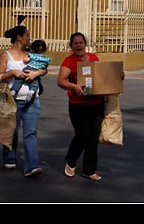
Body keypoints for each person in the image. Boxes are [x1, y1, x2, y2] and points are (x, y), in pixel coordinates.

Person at [0, 25, 47, 177]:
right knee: (12, 131)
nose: (29, 39)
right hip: (12, 100)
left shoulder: (30, 54)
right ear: (19, 37)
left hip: (32, 100)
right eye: (27, 36)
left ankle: (32, 165)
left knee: (30, 133)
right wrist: (11, 73)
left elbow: (44, 67)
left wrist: (35, 74)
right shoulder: (6, 56)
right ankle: (9, 157)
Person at [57, 32, 105, 181]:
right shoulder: (69, 61)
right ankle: (71, 161)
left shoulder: (94, 58)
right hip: (78, 105)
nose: (79, 45)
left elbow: (103, 76)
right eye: (75, 43)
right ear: (71, 46)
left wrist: (117, 76)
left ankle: (89, 170)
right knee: (83, 135)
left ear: (85, 44)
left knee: (93, 137)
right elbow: (61, 81)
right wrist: (74, 86)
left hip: (96, 104)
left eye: (81, 42)